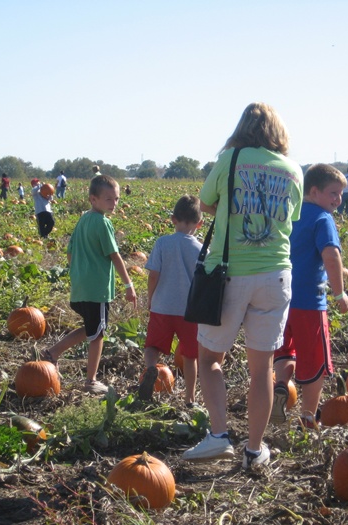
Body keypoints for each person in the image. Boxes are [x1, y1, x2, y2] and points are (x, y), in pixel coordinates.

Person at [181, 102, 303, 469]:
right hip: (276, 276)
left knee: (210, 358)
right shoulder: (294, 170)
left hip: (229, 275)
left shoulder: (231, 160)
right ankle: (254, 450)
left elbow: (204, 204)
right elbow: (290, 218)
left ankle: (219, 436)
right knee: (261, 368)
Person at [272, 164, 348, 430]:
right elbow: (331, 255)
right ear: (314, 191)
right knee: (315, 360)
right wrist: (339, 292)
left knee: (285, 350)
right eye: (333, 193)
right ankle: (308, 416)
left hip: (280, 298)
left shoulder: (289, 214)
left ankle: (281, 385)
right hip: (310, 302)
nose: (338, 200)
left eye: (341, 194)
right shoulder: (323, 218)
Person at [41, 175, 137, 394]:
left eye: (117, 199)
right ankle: (91, 380)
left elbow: (70, 251)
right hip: (97, 290)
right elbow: (115, 256)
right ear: (93, 199)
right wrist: (128, 285)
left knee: (92, 328)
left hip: (81, 287)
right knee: (99, 334)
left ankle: (52, 353)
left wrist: (78, 273)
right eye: (109, 199)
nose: (114, 204)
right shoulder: (103, 223)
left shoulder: (83, 220)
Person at [138, 195, 203, 407]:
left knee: (153, 346)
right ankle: (190, 398)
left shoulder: (163, 243)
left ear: (173, 219)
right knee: (190, 356)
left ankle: (150, 368)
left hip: (162, 307)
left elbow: (153, 274)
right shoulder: (202, 249)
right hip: (190, 312)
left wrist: (151, 297)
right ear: (199, 223)